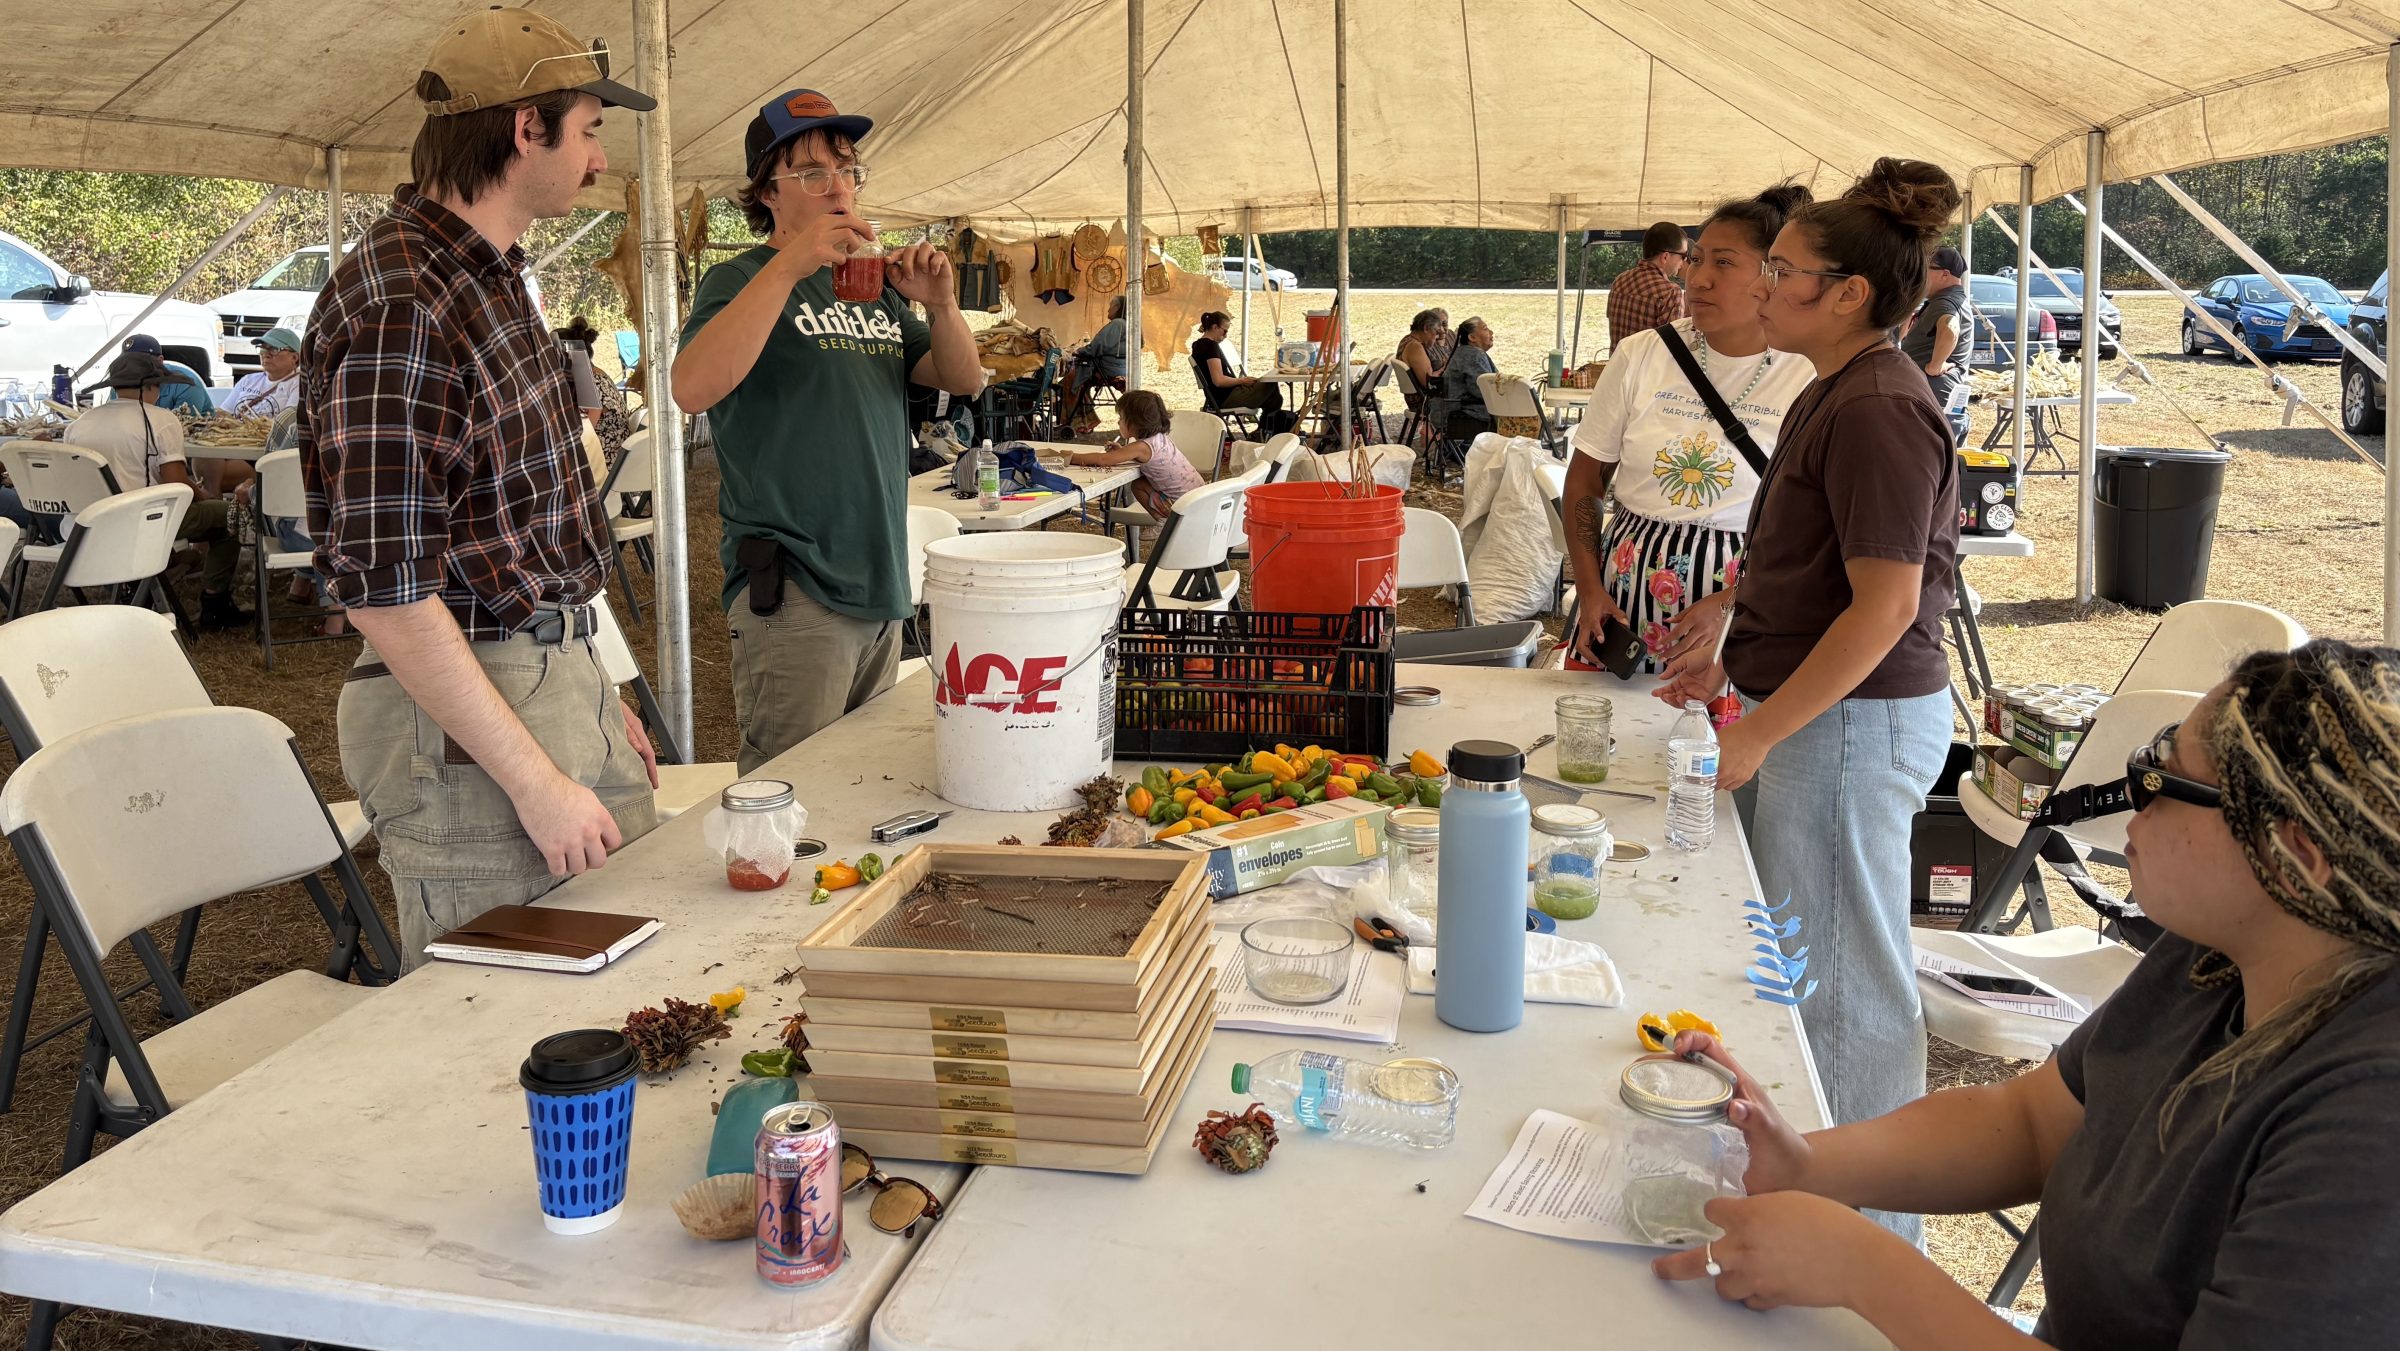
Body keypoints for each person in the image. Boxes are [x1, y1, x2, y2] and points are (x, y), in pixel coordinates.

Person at [1655, 639, 2400, 1351]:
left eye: (2165, 781)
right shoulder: (2220, 959)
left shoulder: (2366, 1134)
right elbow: (2034, 1123)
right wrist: (1805, 1164)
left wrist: (1863, 1266)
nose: (2132, 798)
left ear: (2295, 854)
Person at [300, 7, 661, 968]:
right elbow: (385, 588)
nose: (596, 161)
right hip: (466, 716)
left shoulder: (487, 276)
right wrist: (537, 779)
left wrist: (587, 679)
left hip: (546, 676)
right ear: (523, 128)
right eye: (587, 131)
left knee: (632, 978)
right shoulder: (403, 303)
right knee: (505, 1029)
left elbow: (511, 524)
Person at [1655, 159, 1962, 1218]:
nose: (1761, 287)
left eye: (1782, 270)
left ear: (1849, 294)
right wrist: (1729, 652)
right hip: (1819, 717)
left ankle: (1865, 1243)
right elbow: (1799, 558)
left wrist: (1759, 731)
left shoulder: (1879, 406)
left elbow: (1881, 609)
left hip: (1849, 728)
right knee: (1800, 967)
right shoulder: (1834, 388)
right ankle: (1807, 1203)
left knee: (1842, 992)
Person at [674, 88, 983, 774]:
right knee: (794, 787)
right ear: (767, 193)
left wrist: (941, 303)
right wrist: (791, 264)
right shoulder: (742, 278)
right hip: (796, 584)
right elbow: (690, 387)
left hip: (880, 573)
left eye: (846, 168)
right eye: (812, 173)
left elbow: (962, 378)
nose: (837, 185)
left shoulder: (868, 285)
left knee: (860, 782)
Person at [1564, 183, 1817, 673]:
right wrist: (1590, 590)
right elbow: (1585, 479)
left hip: (1746, 609)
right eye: (1695, 260)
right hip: (1622, 602)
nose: (1697, 279)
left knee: (1713, 746)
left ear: (1773, 275)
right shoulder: (1641, 354)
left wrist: (1732, 601)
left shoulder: (1805, 373)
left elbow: (1818, 526)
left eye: (1723, 263)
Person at [68, 351, 251, 630]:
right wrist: (205, 495)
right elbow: (175, 483)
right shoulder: (160, 419)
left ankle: (161, 570)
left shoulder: (80, 424)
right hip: (142, 519)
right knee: (228, 514)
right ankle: (215, 603)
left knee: (209, 513)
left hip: (86, 524)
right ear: (151, 386)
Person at [1065, 389, 1202, 516]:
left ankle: (1162, 521)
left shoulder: (1141, 446)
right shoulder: (1159, 438)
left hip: (1180, 507)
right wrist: (1121, 452)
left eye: (1122, 418)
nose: (1118, 422)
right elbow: (1147, 458)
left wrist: (1071, 456)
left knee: (1137, 486)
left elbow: (1103, 460)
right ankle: (1163, 521)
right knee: (1140, 483)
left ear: (1137, 422)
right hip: (1198, 497)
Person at [1902, 245, 1973, 445]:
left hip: (1935, 399)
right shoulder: (1947, 299)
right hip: (1938, 400)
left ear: (1944, 274)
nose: (1920, 276)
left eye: (1925, 269)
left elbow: (1950, 327)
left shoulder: (1945, 302)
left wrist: (1935, 365)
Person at [1606, 222, 1690, 350]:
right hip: (1650, 370)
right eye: (1683, 256)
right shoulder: (1670, 292)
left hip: (1618, 368)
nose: (1683, 262)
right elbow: (1674, 351)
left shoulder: (1619, 281)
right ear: (1665, 257)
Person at [1190, 312, 1284, 422]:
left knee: (1274, 398)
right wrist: (1242, 381)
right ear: (1215, 327)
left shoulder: (1197, 345)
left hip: (1219, 397)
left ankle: (1264, 431)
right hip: (1227, 397)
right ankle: (1266, 430)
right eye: (1225, 331)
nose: (1225, 335)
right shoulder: (1211, 346)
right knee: (1270, 385)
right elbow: (1218, 380)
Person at [121, 334, 214, 418]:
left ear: (160, 360)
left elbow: (181, 428)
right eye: (126, 362)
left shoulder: (186, 384)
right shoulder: (120, 381)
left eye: (141, 362)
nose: (132, 367)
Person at [1440, 316, 1498, 438]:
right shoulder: (1473, 355)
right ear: (1472, 337)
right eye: (1486, 329)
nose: (1491, 332)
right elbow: (1483, 391)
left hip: (1456, 408)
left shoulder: (1467, 352)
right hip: (1467, 412)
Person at [224, 327, 303, 416]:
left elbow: (288, 423)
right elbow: (223, 413)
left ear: (294, 357)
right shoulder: (248, 380)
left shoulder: (299, 385)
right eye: (263, 349)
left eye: (274, 349)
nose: (265, 354)